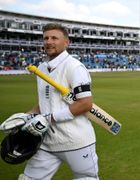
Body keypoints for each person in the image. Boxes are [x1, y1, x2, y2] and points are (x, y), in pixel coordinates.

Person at [18, 23, 99, 180]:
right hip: (47, 141)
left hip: (77, 142)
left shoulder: (75, 67)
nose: (49, 42)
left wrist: (48, 118)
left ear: (66, 42)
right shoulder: (41, 68)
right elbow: (45, 103)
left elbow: (85, 104)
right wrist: (24, 117)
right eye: (46, 38)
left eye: (54, 38)